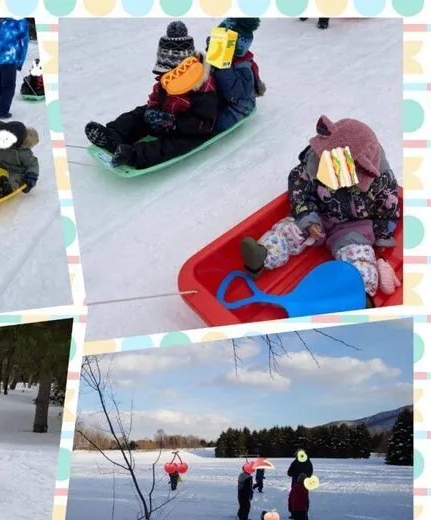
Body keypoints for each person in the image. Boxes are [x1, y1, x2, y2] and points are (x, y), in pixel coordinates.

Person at [239, 116, 400, 305]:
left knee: (360, 257)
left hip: (353, 228)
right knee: (288, 230)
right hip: (318, 215)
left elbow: (387, 208)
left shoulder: (380, 181)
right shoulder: (315, 163)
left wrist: (382, 235)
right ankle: (262, 256)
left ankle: (359, 295)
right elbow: (299, 189)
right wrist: (308, 216)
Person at [84, 21, 218, 170]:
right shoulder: (166, 80)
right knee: (138, 115)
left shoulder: (203, 90)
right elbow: (156, 96)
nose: (163, 78)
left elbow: (204, 124)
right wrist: (152, 110)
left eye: (167, 75)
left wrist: (173, 123)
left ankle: (133, 155)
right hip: (164, 118)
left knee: (172, 146)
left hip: (187, 131)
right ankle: (111, 137)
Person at [208, 18, 265, 133]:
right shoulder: (223, 58)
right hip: (223, 96)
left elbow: (233, 93)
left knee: (209, 124)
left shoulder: (243, 70)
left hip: (237, 108)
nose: (215, 44)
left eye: (219, 41)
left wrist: (221, 67)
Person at [0, 18, 30, 119]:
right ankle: (3, 112)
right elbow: (24, 43)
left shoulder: (3, 21)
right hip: (9, 58)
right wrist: (20, 62)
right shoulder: (21, 22)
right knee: (8, 86)